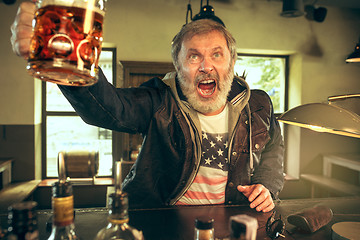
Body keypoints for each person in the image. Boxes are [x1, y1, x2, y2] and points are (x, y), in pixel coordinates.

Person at [11, 2, 284, 212]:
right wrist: (63, 57)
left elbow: (273, 149)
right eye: (193, 56)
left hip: (232, 218)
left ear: (231, 62)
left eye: (216, 54)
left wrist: (267, 187)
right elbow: (105, 107)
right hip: (162, 220)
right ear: (177, 67)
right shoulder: (157, 100)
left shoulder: (259, 104)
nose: (205, 66)